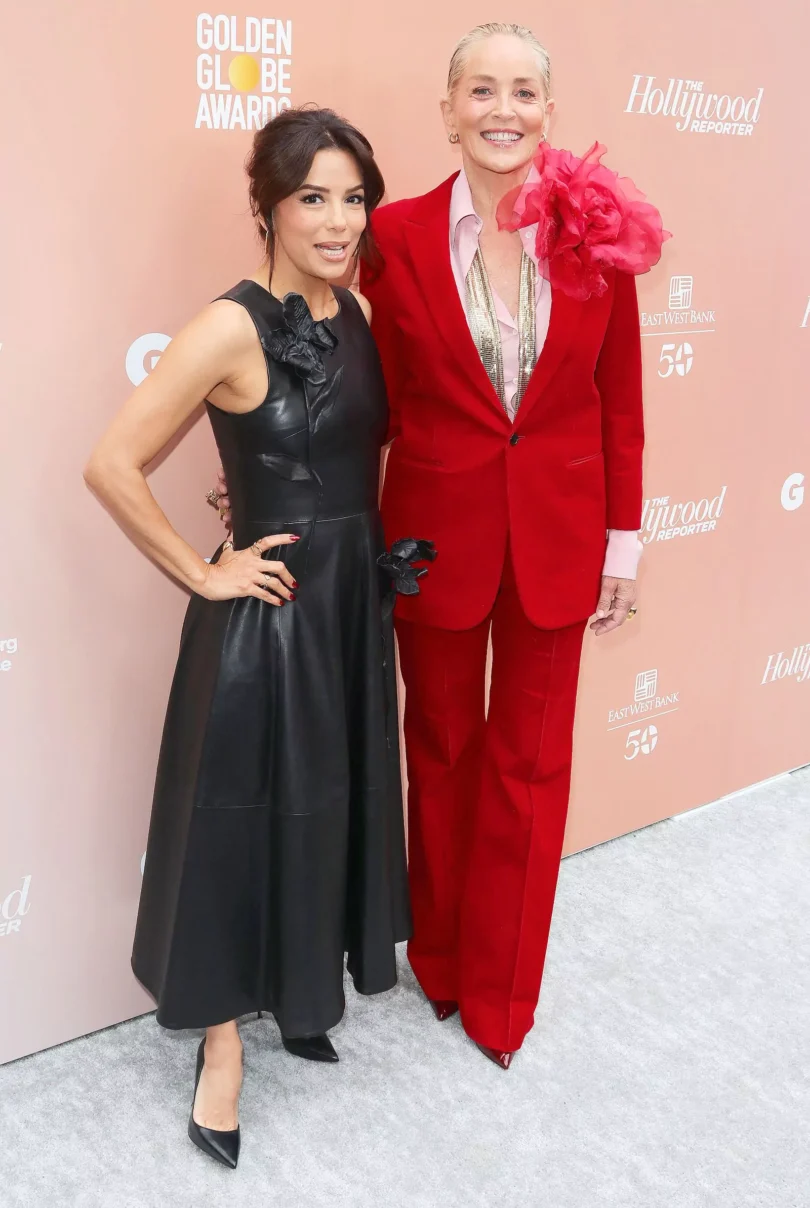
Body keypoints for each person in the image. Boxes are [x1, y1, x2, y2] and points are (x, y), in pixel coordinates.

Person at [215, 24, 667, 1071]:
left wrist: (625, 543)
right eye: (482, 90)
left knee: (532, 766)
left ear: (549, 112)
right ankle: (445, 959)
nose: (503, 110)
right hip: (432, 539)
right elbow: (345, 366)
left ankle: (505, 994)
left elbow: (621, 402)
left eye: (524, 91)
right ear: (449, 110)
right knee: (443, 753)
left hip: (560, 537)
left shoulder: (598, 232)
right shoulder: (398, 235)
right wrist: (273, 461)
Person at [84, 108, 418, 1169]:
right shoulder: (229, 326)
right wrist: (204, 568)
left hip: (346, 607)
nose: (338, 220)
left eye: (353, 198)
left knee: (325, 805)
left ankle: (303, 990)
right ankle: (221, 1046)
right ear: (266, 206)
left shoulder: (354, 308)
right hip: (266, 623)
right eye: (313, 197)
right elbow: (111, 463)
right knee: (237, 827)